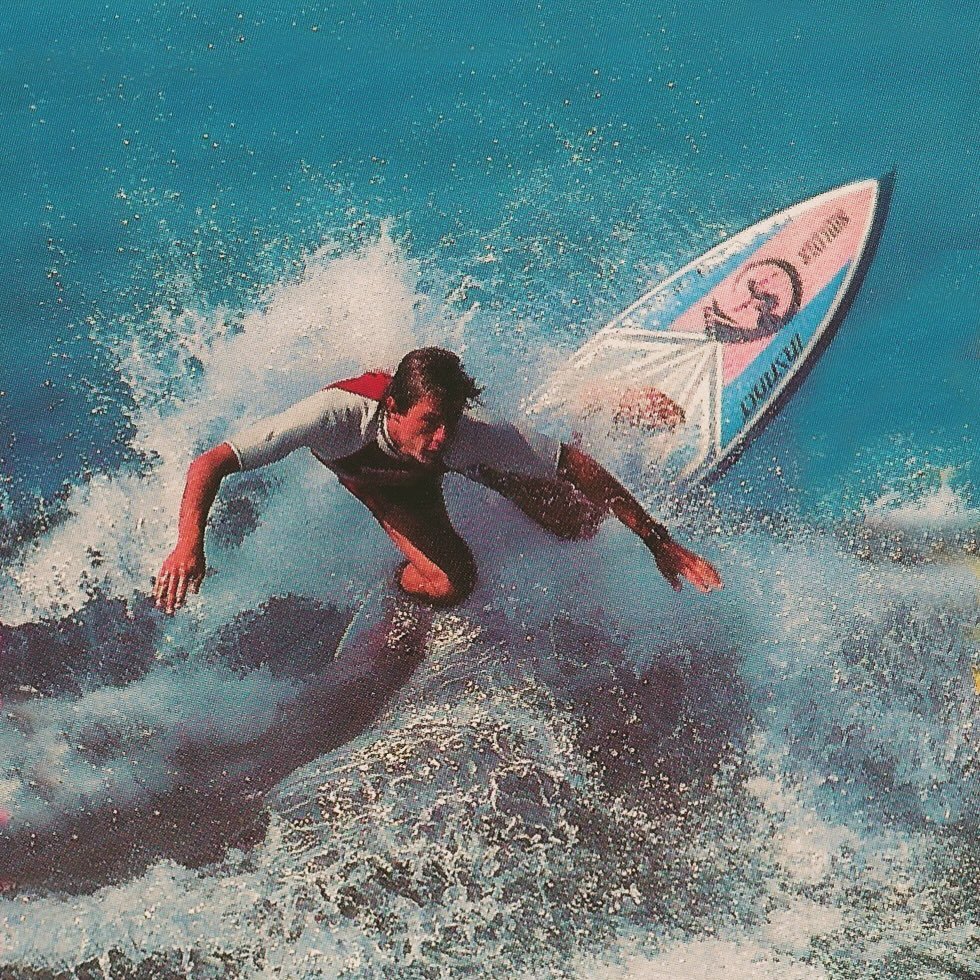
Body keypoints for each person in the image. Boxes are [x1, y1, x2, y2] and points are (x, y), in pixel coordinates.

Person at [153, 347, 722, 613]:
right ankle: (402, 584)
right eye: (429, 423)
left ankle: (598, 407)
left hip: (427, 471)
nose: (443, 436)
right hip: (378, 480)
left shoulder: (462, 439)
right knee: (454, 582)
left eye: (450, 423)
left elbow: (572, 466)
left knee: (576, 524)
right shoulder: (328, 418)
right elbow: (210, 462)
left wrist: (659, 542)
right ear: (394, 409)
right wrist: (187, 543)